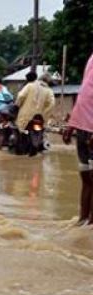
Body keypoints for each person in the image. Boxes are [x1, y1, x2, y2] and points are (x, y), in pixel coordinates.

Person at [63, 51, 93, 225]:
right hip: (82, 125)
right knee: (85, 176)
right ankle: (83, 219)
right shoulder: (91, 58)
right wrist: (72, 123)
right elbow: (85, 92)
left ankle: (90, 222)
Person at [15, 71, 55, 135]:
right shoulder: (49, 91)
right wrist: (44, 114)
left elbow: (20, 96)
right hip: (39, 119)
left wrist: (17, 105)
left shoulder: (30, 85)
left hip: (25, 118)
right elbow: (52, 104)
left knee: (19, 132)